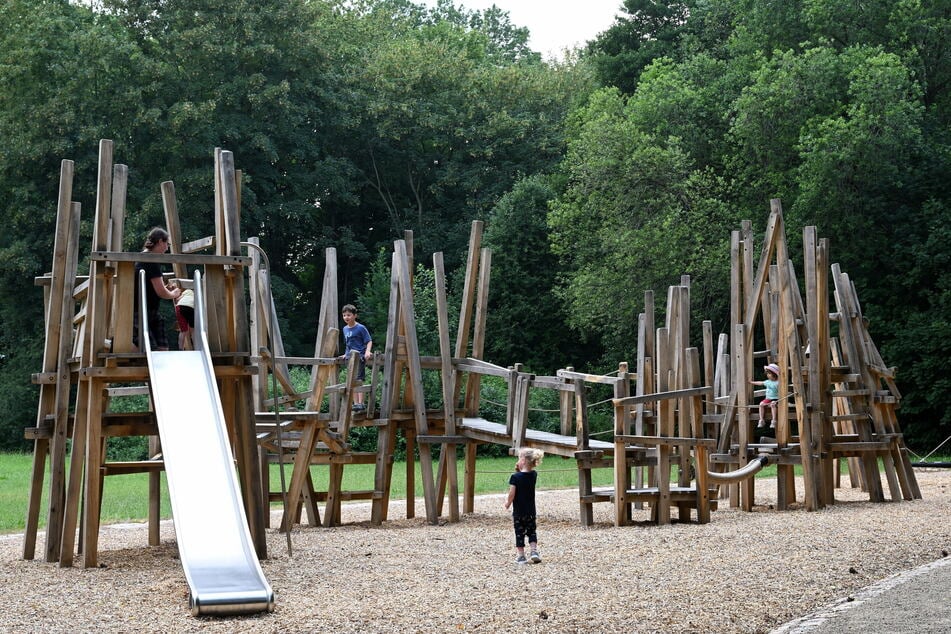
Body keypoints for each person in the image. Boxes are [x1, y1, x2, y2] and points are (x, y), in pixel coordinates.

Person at [133, 227, 181, 351]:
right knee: (153, 349)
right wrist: (174, 293)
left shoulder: (141, 258)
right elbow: (161, 293)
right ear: (160, 241)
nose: (167, 248)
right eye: (167, 244)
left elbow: (152, 287)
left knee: (160, 348)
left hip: (145, 311)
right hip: (143, 312)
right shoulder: (151, 260)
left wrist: (166, 289)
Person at [504, 448, 544, 564]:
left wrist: (508, 503)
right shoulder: (533, 475)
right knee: (532, 531)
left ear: (523, 460)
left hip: (519, 512)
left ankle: (521, 556)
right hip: (531, 511)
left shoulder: (515, 477)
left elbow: (512, 493)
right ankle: (534, 552)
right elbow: (526, 474)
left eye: (519, 458)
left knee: (519, 533)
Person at [340, 304, 373, 412]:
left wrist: (367, 351)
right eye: (344, 315)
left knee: (359, 380)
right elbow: (348, 344)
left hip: (359, 356)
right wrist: (345, 354)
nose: (346, 317)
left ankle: (361, 403)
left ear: (355, 315)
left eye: (349, 315)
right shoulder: (344, 329)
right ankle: (355, 404)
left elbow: (368, 340)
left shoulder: (360, 328)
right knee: (351, 381)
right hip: (350, 358)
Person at [751, 362, 780, 430]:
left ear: (775, 374)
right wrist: (751, 382)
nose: (768, 375)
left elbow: (781, 392)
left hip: (776, 399)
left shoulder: (778, 382)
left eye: (769, 373)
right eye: (767, 373)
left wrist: (778, 401)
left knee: (773, 405)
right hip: (768, 398)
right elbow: (760, 383)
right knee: (761, 404)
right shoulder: (767, 382)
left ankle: (774, 421)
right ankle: (761, 420)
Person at [173, 283, 195, 350]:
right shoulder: (195, 294)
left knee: (183, 331)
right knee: (193, 331)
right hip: (191, 308)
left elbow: (177, 300)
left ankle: (180, 349)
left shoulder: (186, 291)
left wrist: (176, 296)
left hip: (180, 307)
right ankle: (196, 347)